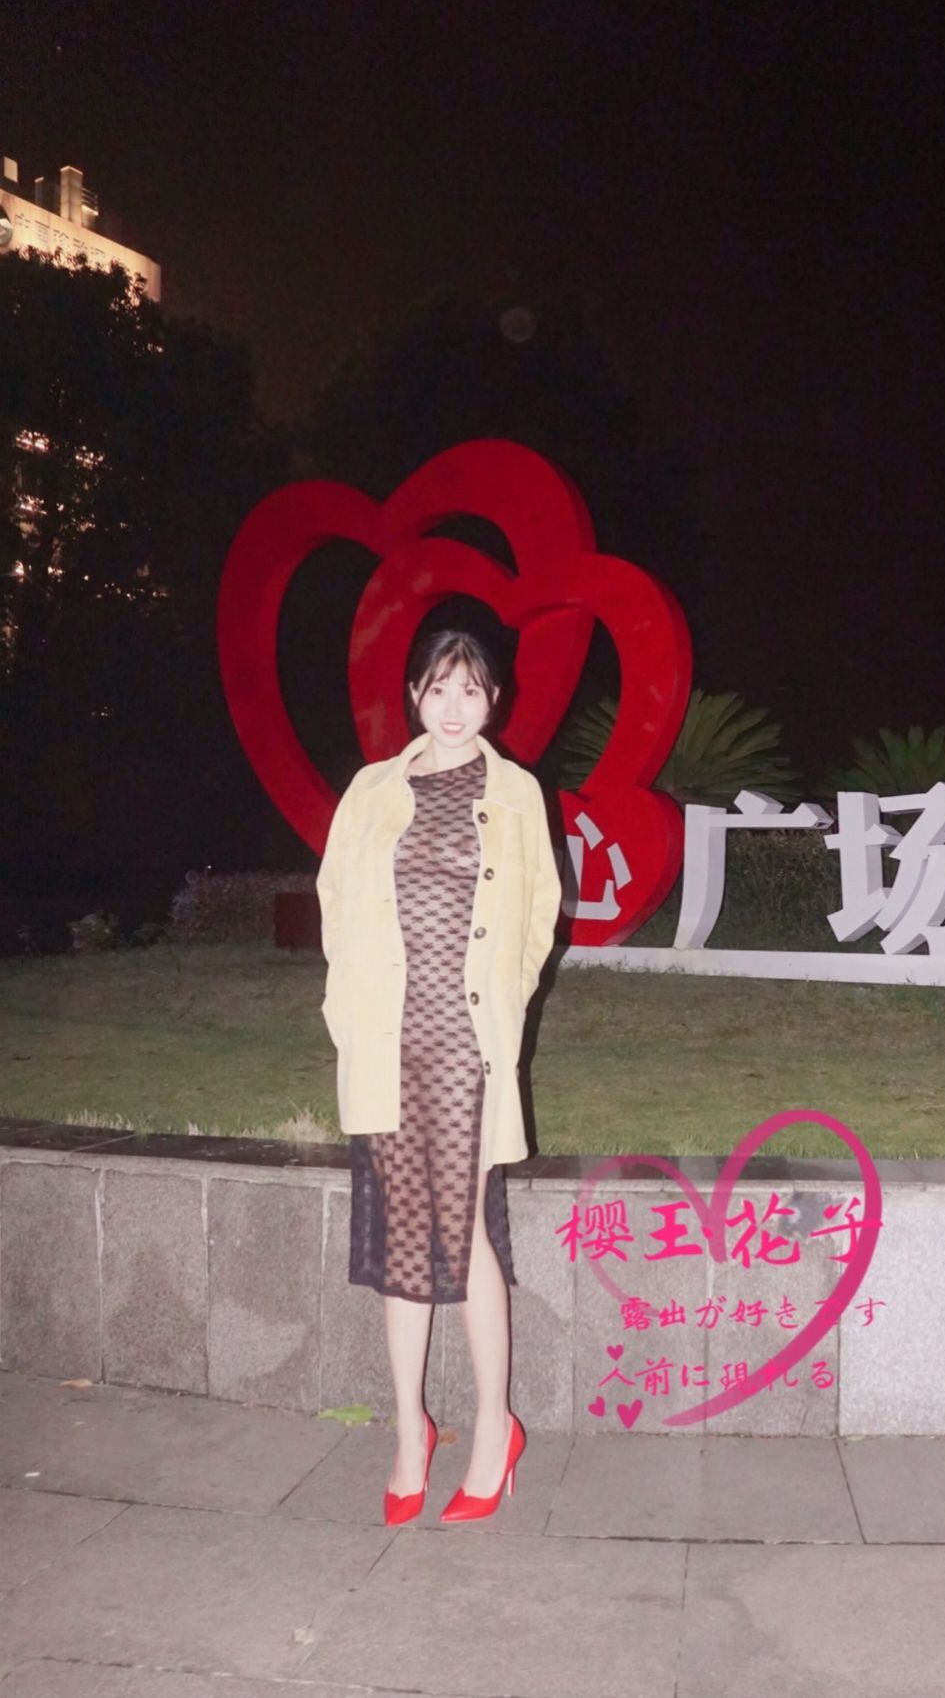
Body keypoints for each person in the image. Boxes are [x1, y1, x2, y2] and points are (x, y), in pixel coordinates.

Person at [316, 629, 561, 1525]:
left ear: (493, 699)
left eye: (471, 690)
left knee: (465, 1232)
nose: (454, 707)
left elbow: (539, 910)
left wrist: (507, 999)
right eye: (438, 688)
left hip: (466, 1040)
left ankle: (495, 1428)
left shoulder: (516, 792)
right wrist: (346, 1008)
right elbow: (335, 900)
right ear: (414, 694)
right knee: (402, 1235)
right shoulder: (370, 789)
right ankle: (409, 1431)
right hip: (387, 1038)